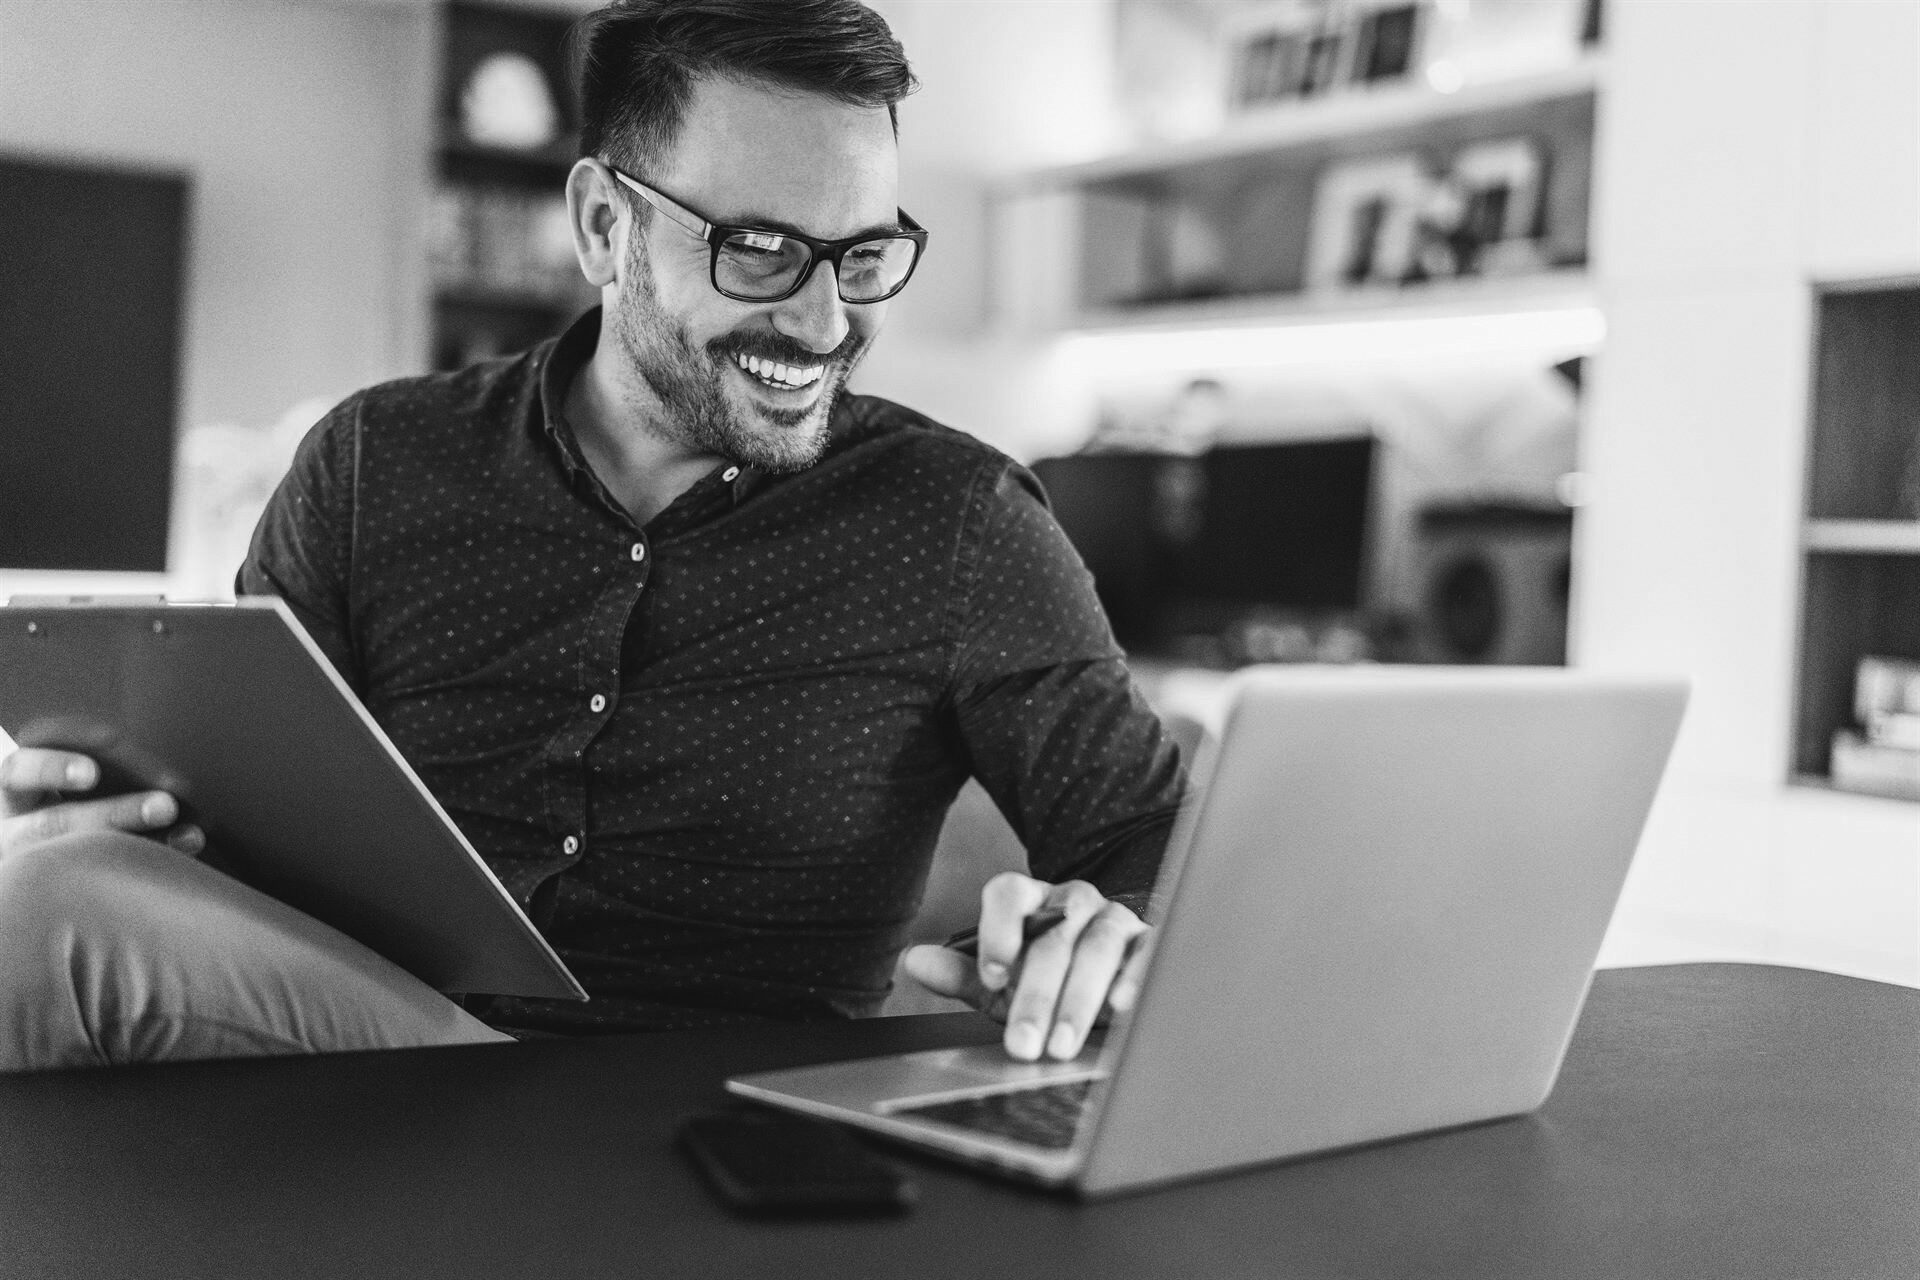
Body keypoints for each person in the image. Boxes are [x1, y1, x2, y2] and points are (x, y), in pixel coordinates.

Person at [0, 0, 1184, 1073]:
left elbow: (1150, 836)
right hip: (372, 1077)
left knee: (47, 911)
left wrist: (1110, 923)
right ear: (605, 224)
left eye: (862, 255)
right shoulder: (376, 465)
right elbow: (244, 821)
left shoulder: (959, 521)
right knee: (53, 884)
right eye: (761, 249)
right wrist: (136, 824)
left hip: (728, 1120)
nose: (826, 321)